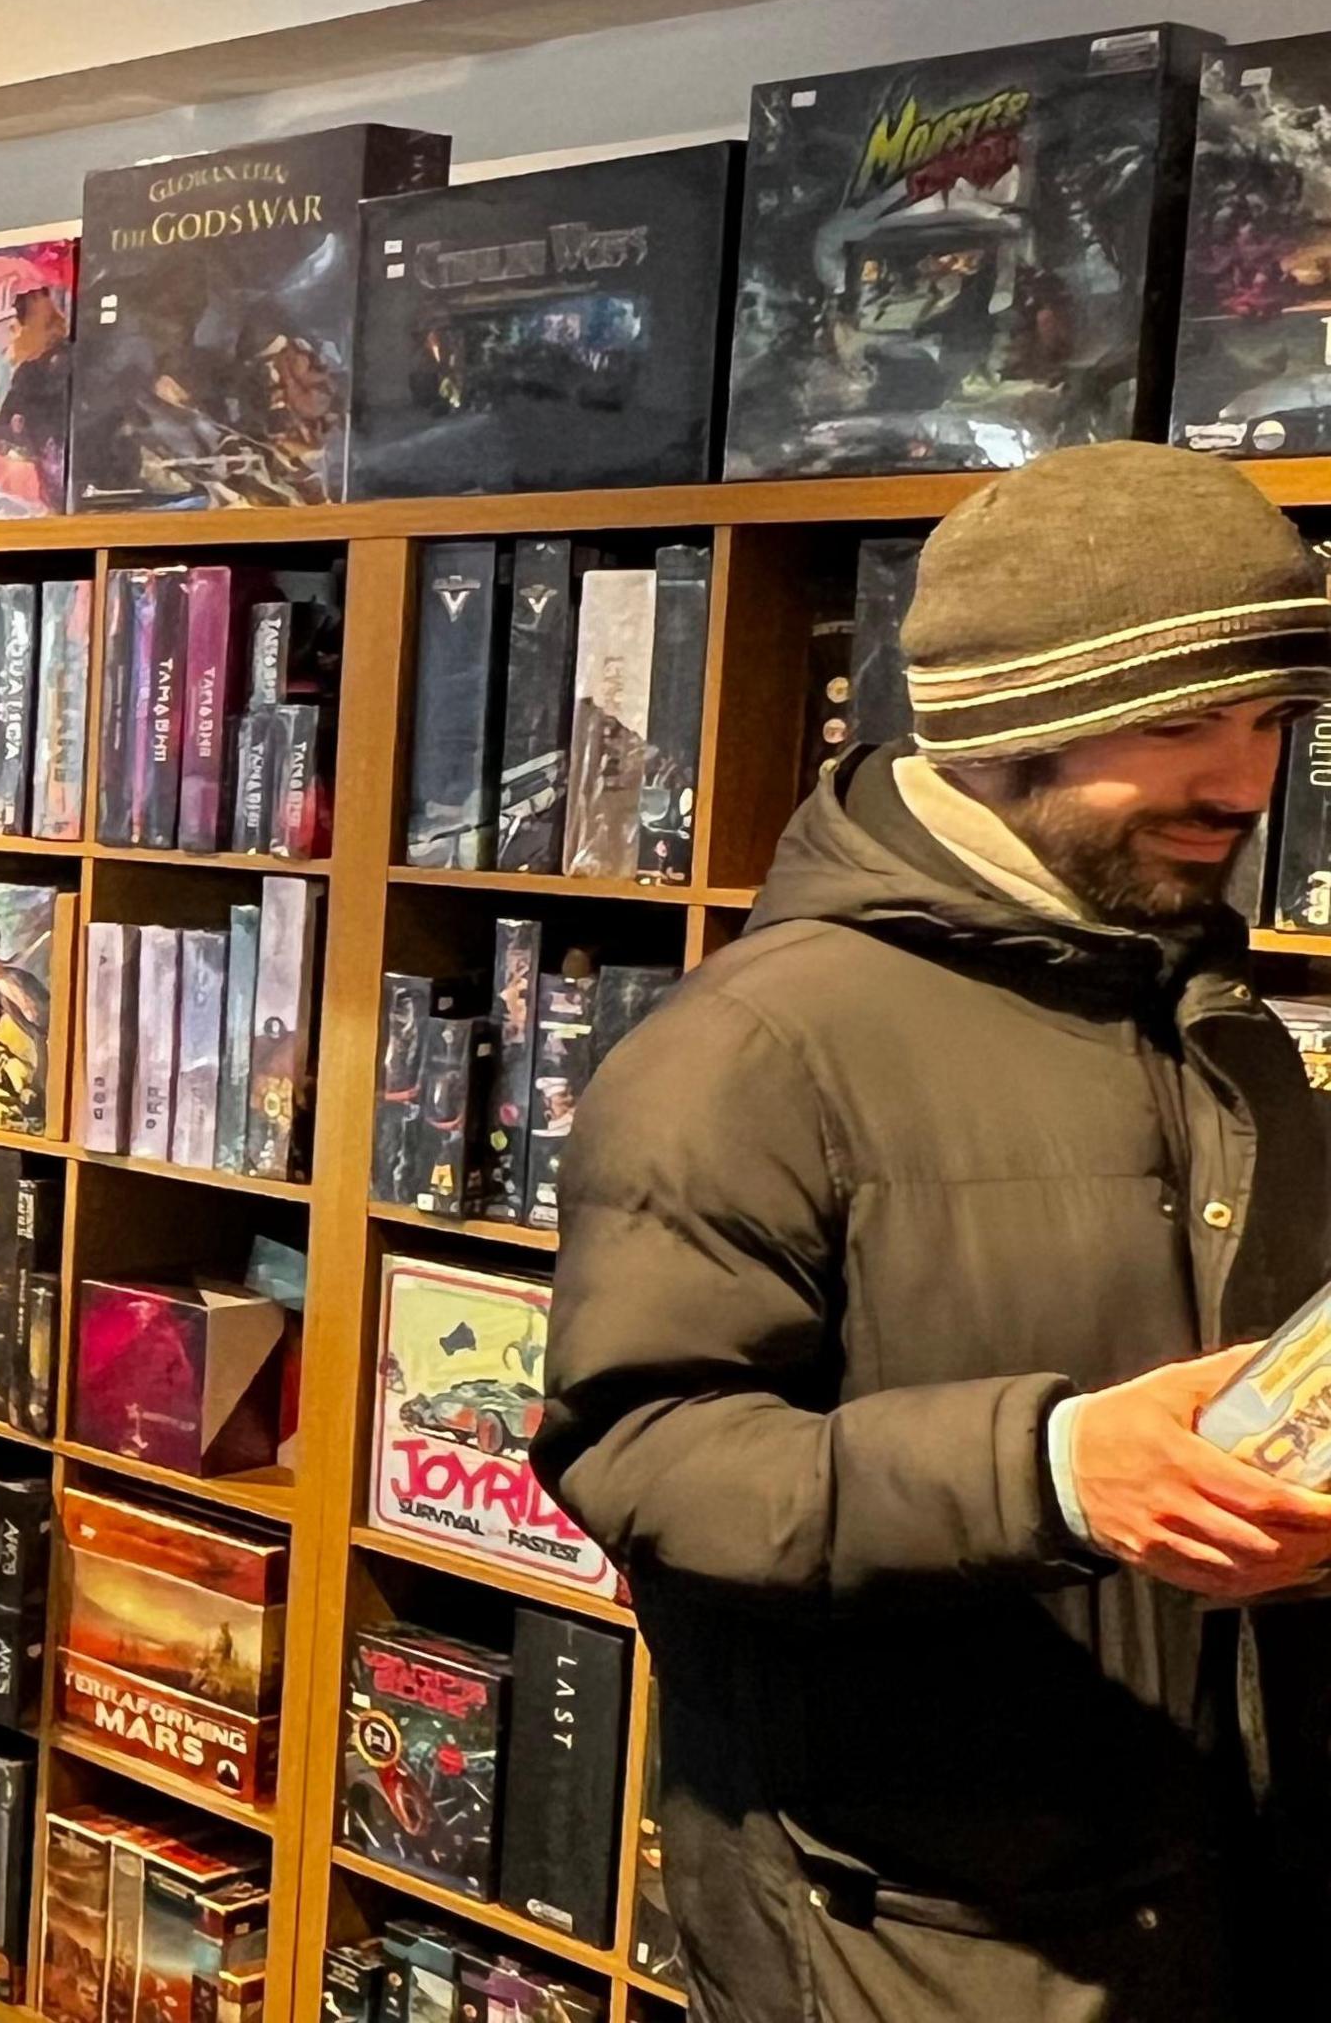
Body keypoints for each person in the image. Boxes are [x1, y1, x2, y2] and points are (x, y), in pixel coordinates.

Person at [537, 440, 1331, 2022]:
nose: (1242, 783)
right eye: (1177, 721)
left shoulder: (1213, 1007)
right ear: (1000, 724)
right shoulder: (752, 1048)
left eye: (1271, 722)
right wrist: (1048, 1468)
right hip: (918, 1930)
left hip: (1224, 1879)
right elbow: (643, 1456)